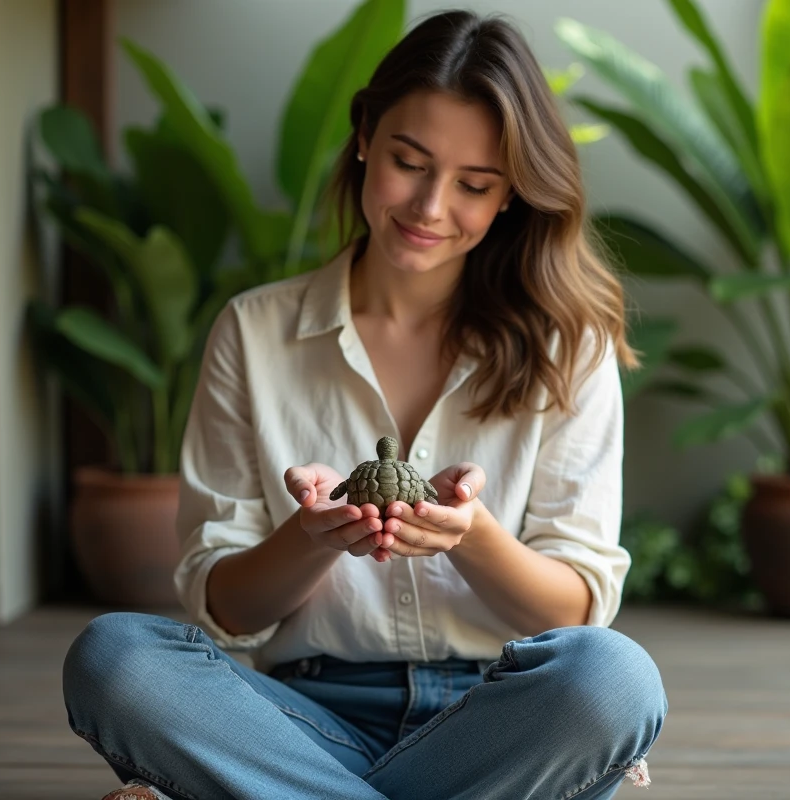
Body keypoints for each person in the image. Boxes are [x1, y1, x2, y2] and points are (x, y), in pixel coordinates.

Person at [63, 9, 667, 800]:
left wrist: (471, 537)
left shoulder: (568, 346)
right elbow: (225, 608)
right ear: (363, 138)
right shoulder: (255, 332)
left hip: (502, 712)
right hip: (301, 714)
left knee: (613, 678)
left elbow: (580, 608)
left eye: (474, 185)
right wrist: (311, 538)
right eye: (408, 162)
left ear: (512, 194)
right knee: (115, 659)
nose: (429, 207)